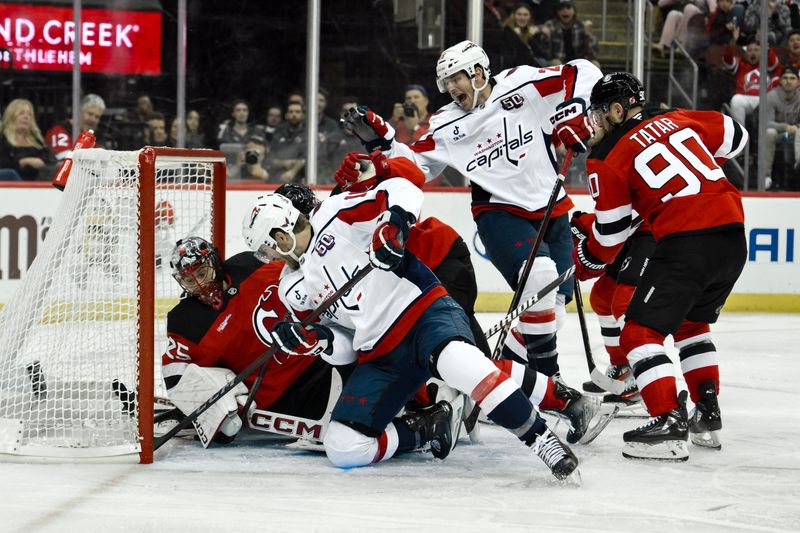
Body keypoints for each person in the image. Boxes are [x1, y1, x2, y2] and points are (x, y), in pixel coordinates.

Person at [242, 186, 583, 479]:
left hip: (422, 314)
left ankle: (543, 441)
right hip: (381, 356)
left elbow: (404, 188)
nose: (264, 257)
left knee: (464, 365)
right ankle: (424, 430)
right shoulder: (291, 288)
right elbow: (344, 348)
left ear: (281, 235)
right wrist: (319, 340)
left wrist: (392, 225)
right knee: (344, 447)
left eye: (265, 248)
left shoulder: (337, 213)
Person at [338, 40, 603, 382]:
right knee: (538, 279)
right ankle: (551, 383)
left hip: (552, 208)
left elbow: (583, 70)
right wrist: (380, 153)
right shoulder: (446, 123)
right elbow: (417, 164)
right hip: (499, 212)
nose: (450, 88)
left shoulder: (520, 83)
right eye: (446, 82)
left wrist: (574, 109)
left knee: (551, 310)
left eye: (456, 78)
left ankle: (507, 377)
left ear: (479, 72)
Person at [573, 72, 749, 460]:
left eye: (601, 113)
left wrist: (588, 253)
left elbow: (613, 236)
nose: (596, 121)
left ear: (618, 110)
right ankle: (707, 413)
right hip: (733, 235)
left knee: (637, 334)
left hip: (688, 241)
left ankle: (668, 420)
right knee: (691, 326)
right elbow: (738, 136)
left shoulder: (606, 156)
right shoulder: (679, 117)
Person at [161, 236, 355, 447]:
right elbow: (175, 375)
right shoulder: (185, 322)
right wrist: (201, 404)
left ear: (214, 262)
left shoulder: (250, 263)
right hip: (283, 400)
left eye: (202, 273)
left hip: (320, 356)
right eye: (190, 280)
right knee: (357, 424)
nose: (200, 284)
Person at [722, 33, 781, 127]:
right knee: (736, 100)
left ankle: (767, 135)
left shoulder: (769, 65)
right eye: (750, 50)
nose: (753, 53)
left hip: (766, 98)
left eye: (756, 50)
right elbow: (727, 59)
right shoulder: (741, 65)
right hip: (747, 99)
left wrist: (765, 46)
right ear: (746, 52)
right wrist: (733, 42)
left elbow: (773, 63)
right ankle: (741, 135)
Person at [0, 98, 55, 181]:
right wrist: (23, 162)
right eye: (21, 113)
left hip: (40, 181)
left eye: (29, 114)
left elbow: (52, 161)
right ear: (11, 116)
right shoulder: (3, 139)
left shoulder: (38, 141)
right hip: (12, 183)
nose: (26, 117)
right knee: (10, 174)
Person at [765, 65, 800, 188]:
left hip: (795, 135)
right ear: (780, 81)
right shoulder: (771, 96)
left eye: (792, 78)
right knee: (770, 132)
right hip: (780, 135)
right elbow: (766, 123)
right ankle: (765, 177)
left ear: (798, 82)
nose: (788, 81)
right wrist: (786, 127)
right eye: (785, 78)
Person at [45, 93, 106, 160]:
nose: (93, 119)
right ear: (79, 112)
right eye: (90, 114)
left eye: (97, 117)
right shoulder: (59, 130)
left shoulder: (97, 137)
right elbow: (65, 160)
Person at [543, 1, 599, 68]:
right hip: (559, 62)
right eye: (561, 9)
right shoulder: (550, 26)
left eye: (568, 8)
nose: (565, 11)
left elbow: (593, 55)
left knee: (595, 64)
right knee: (556, 63)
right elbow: (545, 54)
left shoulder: (581, 26)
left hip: (579, 62)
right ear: (557, 12)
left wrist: (588, 34)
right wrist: (546, 37)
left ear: (574, 11)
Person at [264, 101, 307, 183]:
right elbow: (269, 160)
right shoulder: (278, 134)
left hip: (301, 183)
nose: (294, 115)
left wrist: (292, 171)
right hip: (276, 182)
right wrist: (284, 163)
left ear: (303, 115)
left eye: (297, 112)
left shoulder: (309, 135)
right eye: (291, 112)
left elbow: (308, 158)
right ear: (286, 115)